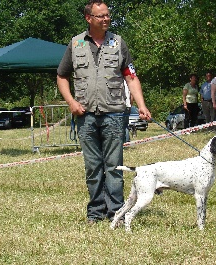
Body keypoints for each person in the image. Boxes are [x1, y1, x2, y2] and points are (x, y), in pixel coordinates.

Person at [56, 0, 151, 225]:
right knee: (93, 167)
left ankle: (116, 212)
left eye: (108, 15)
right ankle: (95, 212)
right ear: (89, 18)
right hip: (85, 115)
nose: (106, 19)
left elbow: (131, 76)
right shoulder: (76, 43)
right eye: (101, 16)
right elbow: (62, 76)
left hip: (115, 114)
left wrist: (142, 105)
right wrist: (71, 102)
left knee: (114, 166)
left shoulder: (118, 43)